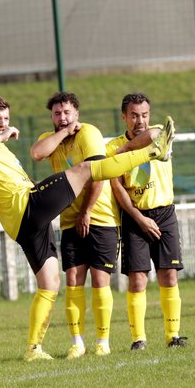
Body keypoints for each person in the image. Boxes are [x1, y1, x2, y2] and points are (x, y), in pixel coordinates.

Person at [0, 96, 174, 362]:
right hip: (27, 206)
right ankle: (152, 152)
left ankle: (33, 348)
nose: (2, 124)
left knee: (50, 284)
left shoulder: (77, 135)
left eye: (5, 119)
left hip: (27, 221)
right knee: (85, 169)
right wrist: (0, 139)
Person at [29, 92, 122, 358]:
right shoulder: (51, 138)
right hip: (70, 218)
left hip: (99, 216)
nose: (62, 118)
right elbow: (37, 153)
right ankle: (77, 342)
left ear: (77, 114)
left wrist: (86, 211)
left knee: (100, 279)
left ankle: (102, 341)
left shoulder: (90, 133)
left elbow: (97, 175)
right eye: (57, 114)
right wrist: (62, 132)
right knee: (72, 280)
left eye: (67, 113)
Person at [106, 93, 187, 351]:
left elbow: (152, 135)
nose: (139, 120)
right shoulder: (111, 147)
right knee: (137, 280)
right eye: (133, 115)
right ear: (123, 117)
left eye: (144, 114)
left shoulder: (158, 135)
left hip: (164, 214)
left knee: (169, 276)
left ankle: (172, 336)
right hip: (134, 216)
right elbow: (117, 188)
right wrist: (139, 218)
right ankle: (138, 339)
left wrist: (125, 151)